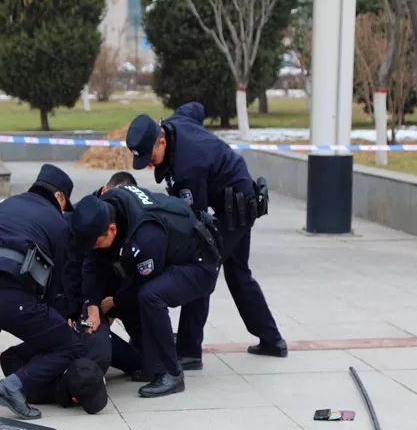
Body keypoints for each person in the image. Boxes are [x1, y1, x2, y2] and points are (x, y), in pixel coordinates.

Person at [126, 103, 288, 361]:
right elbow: (195, 108)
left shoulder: (187, 170)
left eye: (150, 157)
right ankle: (272, 340)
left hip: (235, 208)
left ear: (161, 141)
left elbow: (195, 224)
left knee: (200, 265)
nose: (148, 165)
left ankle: (190, 352)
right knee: (238, 273)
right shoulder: (177, 123)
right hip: (239, 196)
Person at [71, 185, 221, 397]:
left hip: (200, 264)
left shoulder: (145, 236)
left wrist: (113, 302)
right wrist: (92, 304)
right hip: (171, 252)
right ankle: (148, 359)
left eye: (96, 242)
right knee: (124, 290)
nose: (93, 247)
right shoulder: (108, 206)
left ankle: (170, 372)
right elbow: (92, 261)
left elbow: (140, 286)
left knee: (149, 296)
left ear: (112, 229)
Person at [0, 163, 82, 420]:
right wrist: (60, 314)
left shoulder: (6, 205)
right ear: (59, 196)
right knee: (69, 345)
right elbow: (59, 279)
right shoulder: (57, 223)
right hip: (14, 301)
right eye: (65, 204)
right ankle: (14, 385)